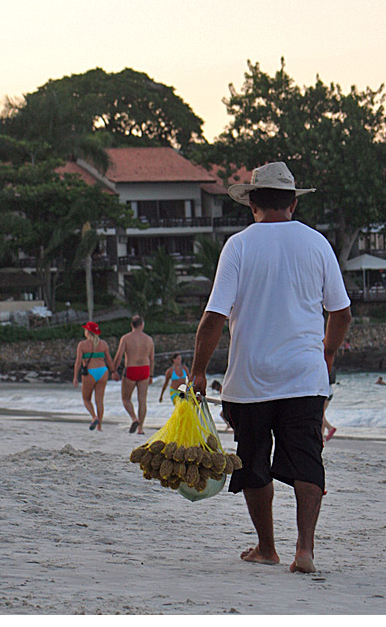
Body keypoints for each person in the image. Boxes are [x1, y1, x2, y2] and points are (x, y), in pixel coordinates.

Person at [189, 161, 351, 573]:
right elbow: (341, 313)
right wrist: (327, 353)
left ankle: (267, 547)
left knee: (253, 460)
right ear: (293, 203)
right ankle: (305, 550)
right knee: (307, 458)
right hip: (306, 378)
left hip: (250, 380)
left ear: (252, 203)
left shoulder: (239, 246)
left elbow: (213, 318)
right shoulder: (317, 244)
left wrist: (198, 371)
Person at [111, 315, 155, 434]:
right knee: (142, 400)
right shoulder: (149, 339)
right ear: (142, 325)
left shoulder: (126, 338)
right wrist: (151, 375)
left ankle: (134, 418)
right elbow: (151, 359)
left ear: (131, 325)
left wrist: (114, 371)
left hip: (131, 369)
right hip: (145, 370)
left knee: (126, 399)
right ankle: (140, 429)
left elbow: (119, 356)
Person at [73, 321, 115, 431]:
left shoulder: (82, 345)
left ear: (88, 332)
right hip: (103, 371)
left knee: (86, 399)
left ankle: (94, 417)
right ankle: (100, 426)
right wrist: (114, 371)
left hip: (90, 372)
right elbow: (109, 360)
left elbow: (78, 362)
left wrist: (75, 377)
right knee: (99, 400)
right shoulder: (104, 344)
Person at [322, 369, 337, 442]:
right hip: (330, 391)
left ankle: (330, 428)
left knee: (320, 414)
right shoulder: (328, 368)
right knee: (322, 413)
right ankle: (321, 436)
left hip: (324, 392)